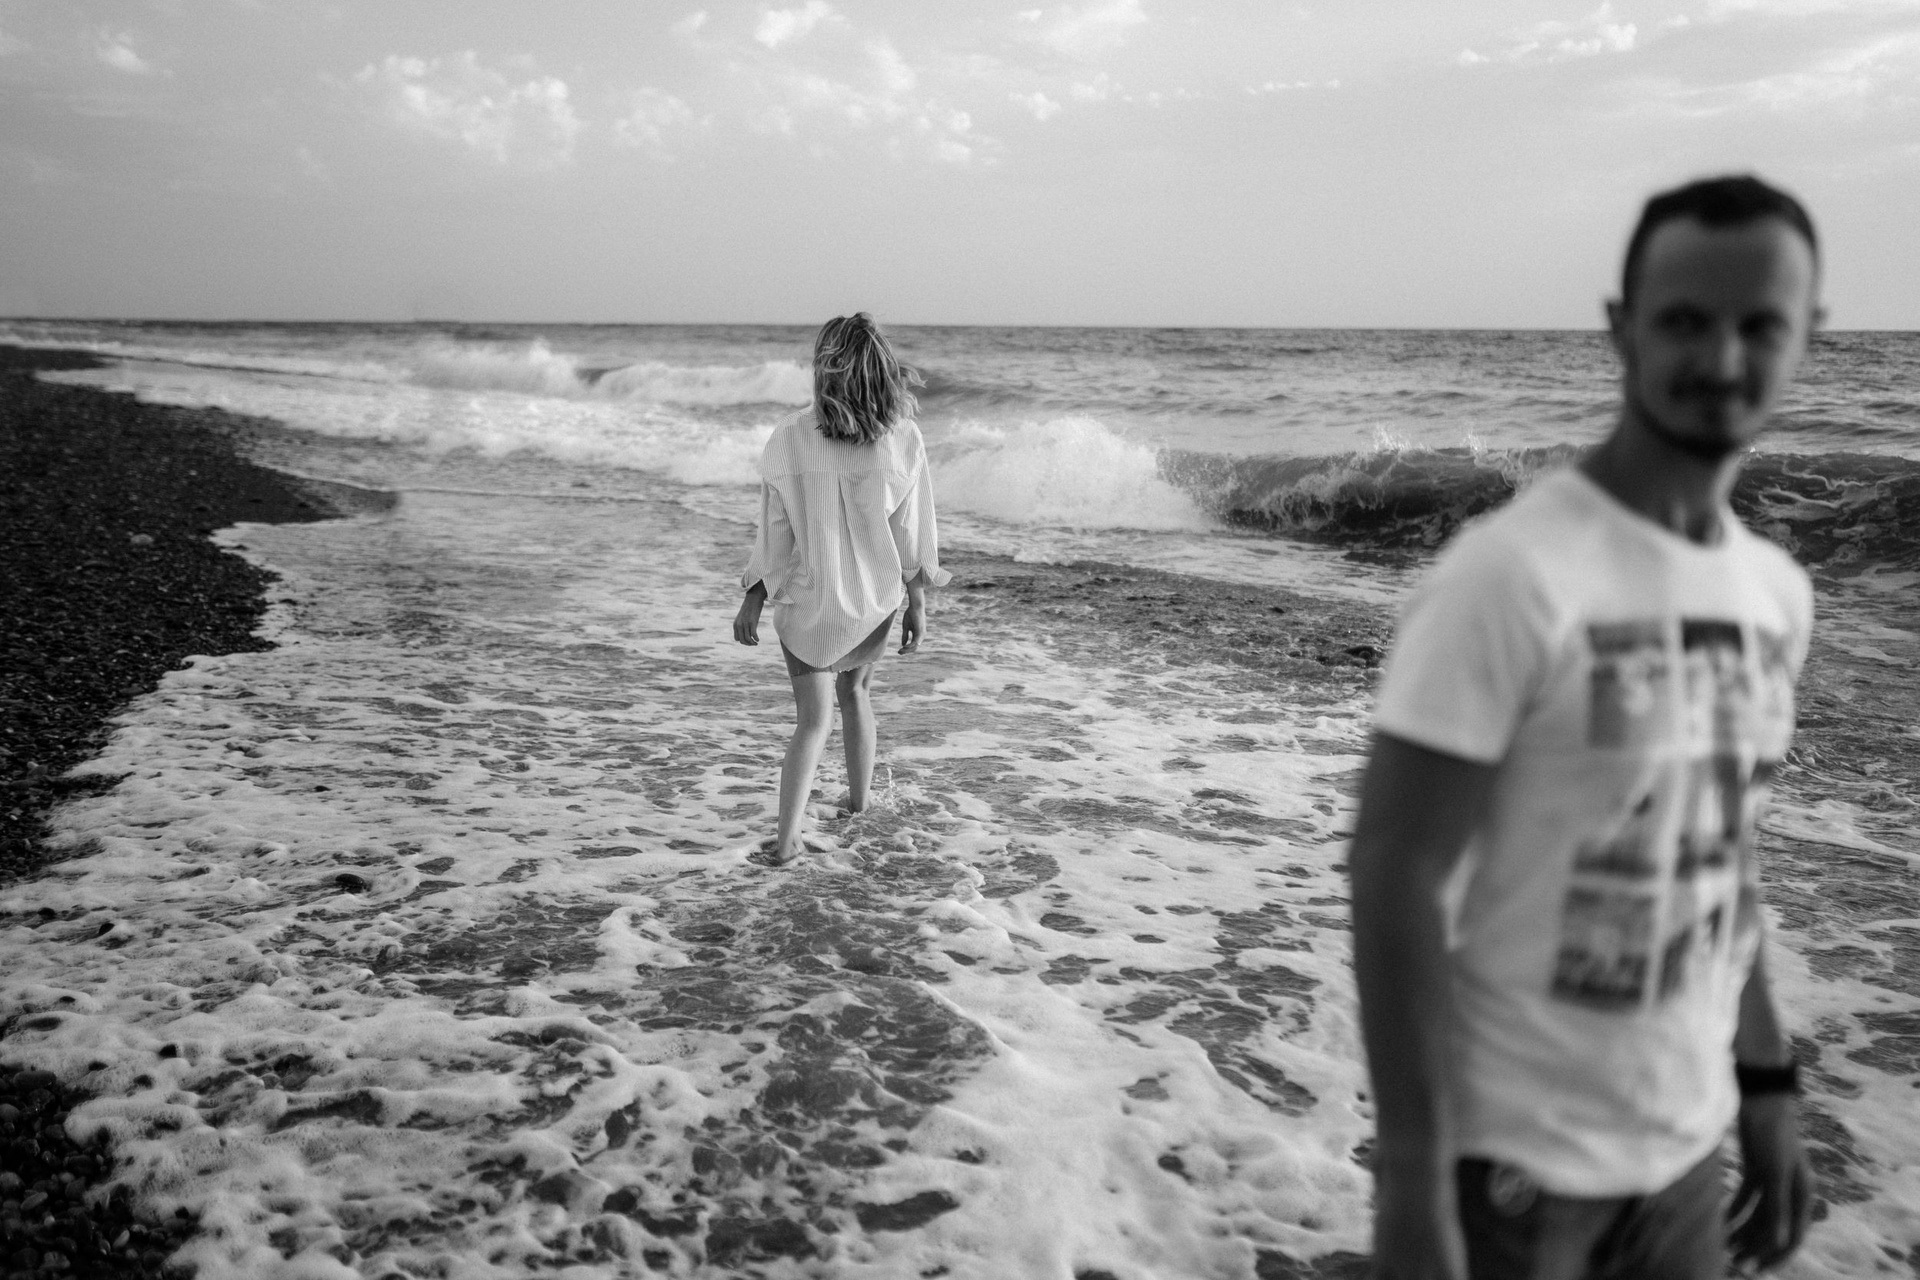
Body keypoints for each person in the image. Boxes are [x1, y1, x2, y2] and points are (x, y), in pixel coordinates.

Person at [1349, 175, 1823, 1280]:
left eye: (1761, 325)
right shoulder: (1514, 575)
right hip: (1514, 1176)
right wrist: (1414, 1186)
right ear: (1621, 328)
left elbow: (1719, 853)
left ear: (1811, 335)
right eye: (1685, 321)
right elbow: (1395, 869)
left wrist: (1766, 1084)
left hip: (1683, 1159)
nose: (1722, 359)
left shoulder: (1775, 593)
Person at [732, 313, 949, 865]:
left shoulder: (791, 434)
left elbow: (775, 526)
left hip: (810, 597)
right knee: (856, 695)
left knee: (811, 721)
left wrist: (755, 594)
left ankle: (787, 841)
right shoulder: (903, 437)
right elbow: (911, 528)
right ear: (881, 370)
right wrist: (917, 598)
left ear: (824, 370)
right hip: (873, 596)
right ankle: (859, 805)